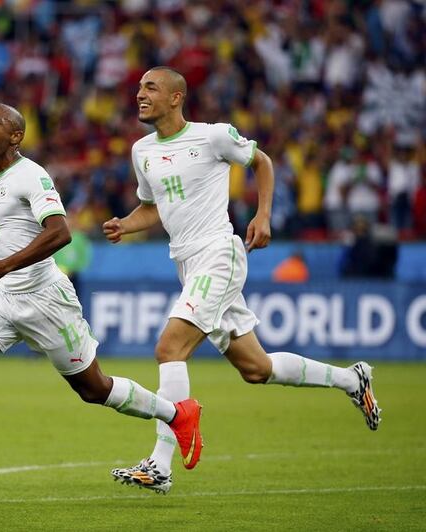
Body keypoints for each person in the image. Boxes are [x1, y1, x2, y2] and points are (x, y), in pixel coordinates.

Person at [0, 103, 203, 502]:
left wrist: (0, 266)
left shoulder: (30, 175)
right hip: (4, 296)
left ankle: (178, 414)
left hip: (45, 300)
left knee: (94, 389)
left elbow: (60, 233)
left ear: (16, 136)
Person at [102, 67, 380, 495]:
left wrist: (263, 214)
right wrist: (126, 224)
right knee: (256, 368)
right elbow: (155, 207)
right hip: (188, 264)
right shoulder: (142, 151)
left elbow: (262, 162)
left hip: (218, 253)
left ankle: (159, 464)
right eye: (139, 87)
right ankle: (351, 379)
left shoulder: (213, 136)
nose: (139, 94)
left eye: (150, 88)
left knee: (169, 347)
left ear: (176, 98)